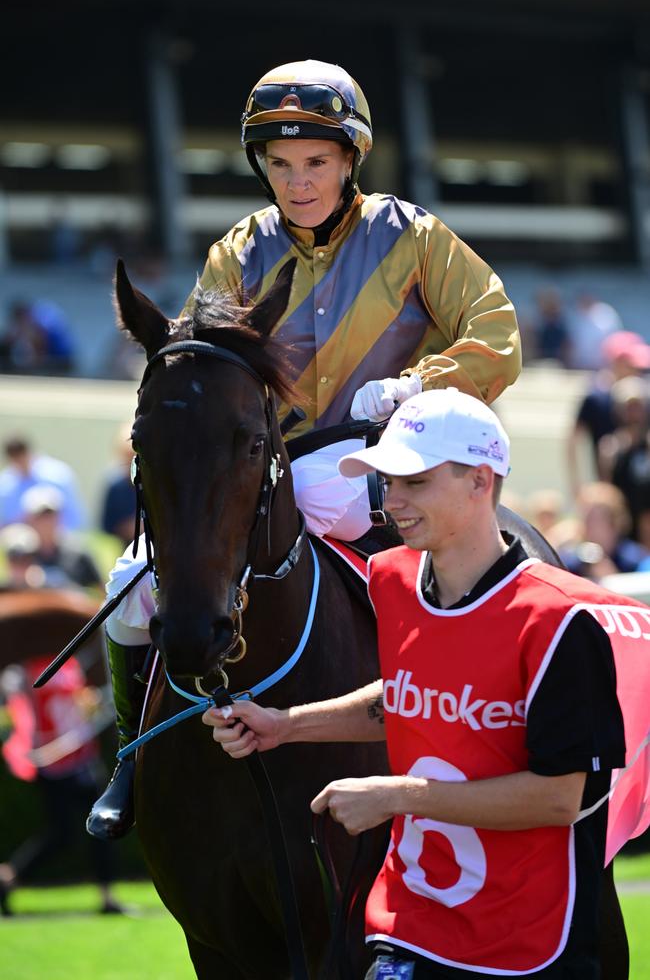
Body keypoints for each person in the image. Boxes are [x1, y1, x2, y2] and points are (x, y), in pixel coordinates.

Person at [87, 58, 522, 841]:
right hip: (267, 468)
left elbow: (498, 335)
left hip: (382, 454)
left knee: (475, 560)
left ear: (351, 158)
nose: (298, 181)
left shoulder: (415, 237)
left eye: (316, 162)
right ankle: (131, 756)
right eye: (281, 165)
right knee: (129, 587)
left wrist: (418, 383)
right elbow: (196, 366)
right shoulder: (237, 250)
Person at [205, 388, 627, 979]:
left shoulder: (559, 619)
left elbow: (560, 797)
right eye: (387, 482)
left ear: (481, 482)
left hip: (527, 946)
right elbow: (405, 693)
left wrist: (395, 795)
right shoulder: (390, 578)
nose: (392, 501)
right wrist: (284, 726)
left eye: (415, 483)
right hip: (406, 928)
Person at [0, 657, 121, 916]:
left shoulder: (70, 665)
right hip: (52, 764)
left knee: (103, 827)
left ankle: (107, 896)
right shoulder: (27, 672)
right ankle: (9, 877)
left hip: (83, 759)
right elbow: (17, 700)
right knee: (61, 834)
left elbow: (78, 704)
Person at [566, 330, 650, 497]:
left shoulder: (644, 396)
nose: (637, 371)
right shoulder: (596, 399)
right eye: (631, 365)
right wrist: (577, 486)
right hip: (608, 488)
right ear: (616, 363)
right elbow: (573, 441)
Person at [19, 485, 102, 592]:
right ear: (29, 520)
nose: (46, 522)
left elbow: (101, 593)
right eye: (40, 516)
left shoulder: (78, 553)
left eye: (50, 515)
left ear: (59, 517)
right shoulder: (20, 556)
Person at [0, 436, 86, 532]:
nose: (19, 463)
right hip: (19, 539)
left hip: (59, 537)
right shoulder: (5, 484)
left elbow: (74, 519)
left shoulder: (57, 475)